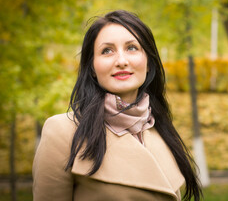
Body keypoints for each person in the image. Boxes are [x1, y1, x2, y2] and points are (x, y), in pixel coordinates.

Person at [32, 10, 202, 201]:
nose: (121, 61)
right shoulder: (63, 132)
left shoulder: (158, 129)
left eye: (132, 48)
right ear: (93, 68)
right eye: (107, 51)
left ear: (148, 63)